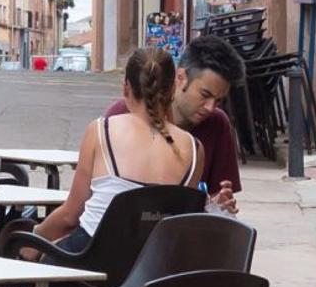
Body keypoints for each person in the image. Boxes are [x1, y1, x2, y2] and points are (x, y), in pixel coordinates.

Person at [28, 47, 204, 287]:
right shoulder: (193, 148)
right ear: (172, 89)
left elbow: (72, 215)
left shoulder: (101, 131)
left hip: (94, 257)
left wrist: (35, 237)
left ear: (125, 87)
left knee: (40, 273)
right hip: (154, 267)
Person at [105, 35, 245, 213]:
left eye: (218, 101)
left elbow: (216, 196)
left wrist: (216, 205)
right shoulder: (122, 115)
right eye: (205, 95)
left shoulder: (218, 124)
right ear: (181, 78)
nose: (210, 107)